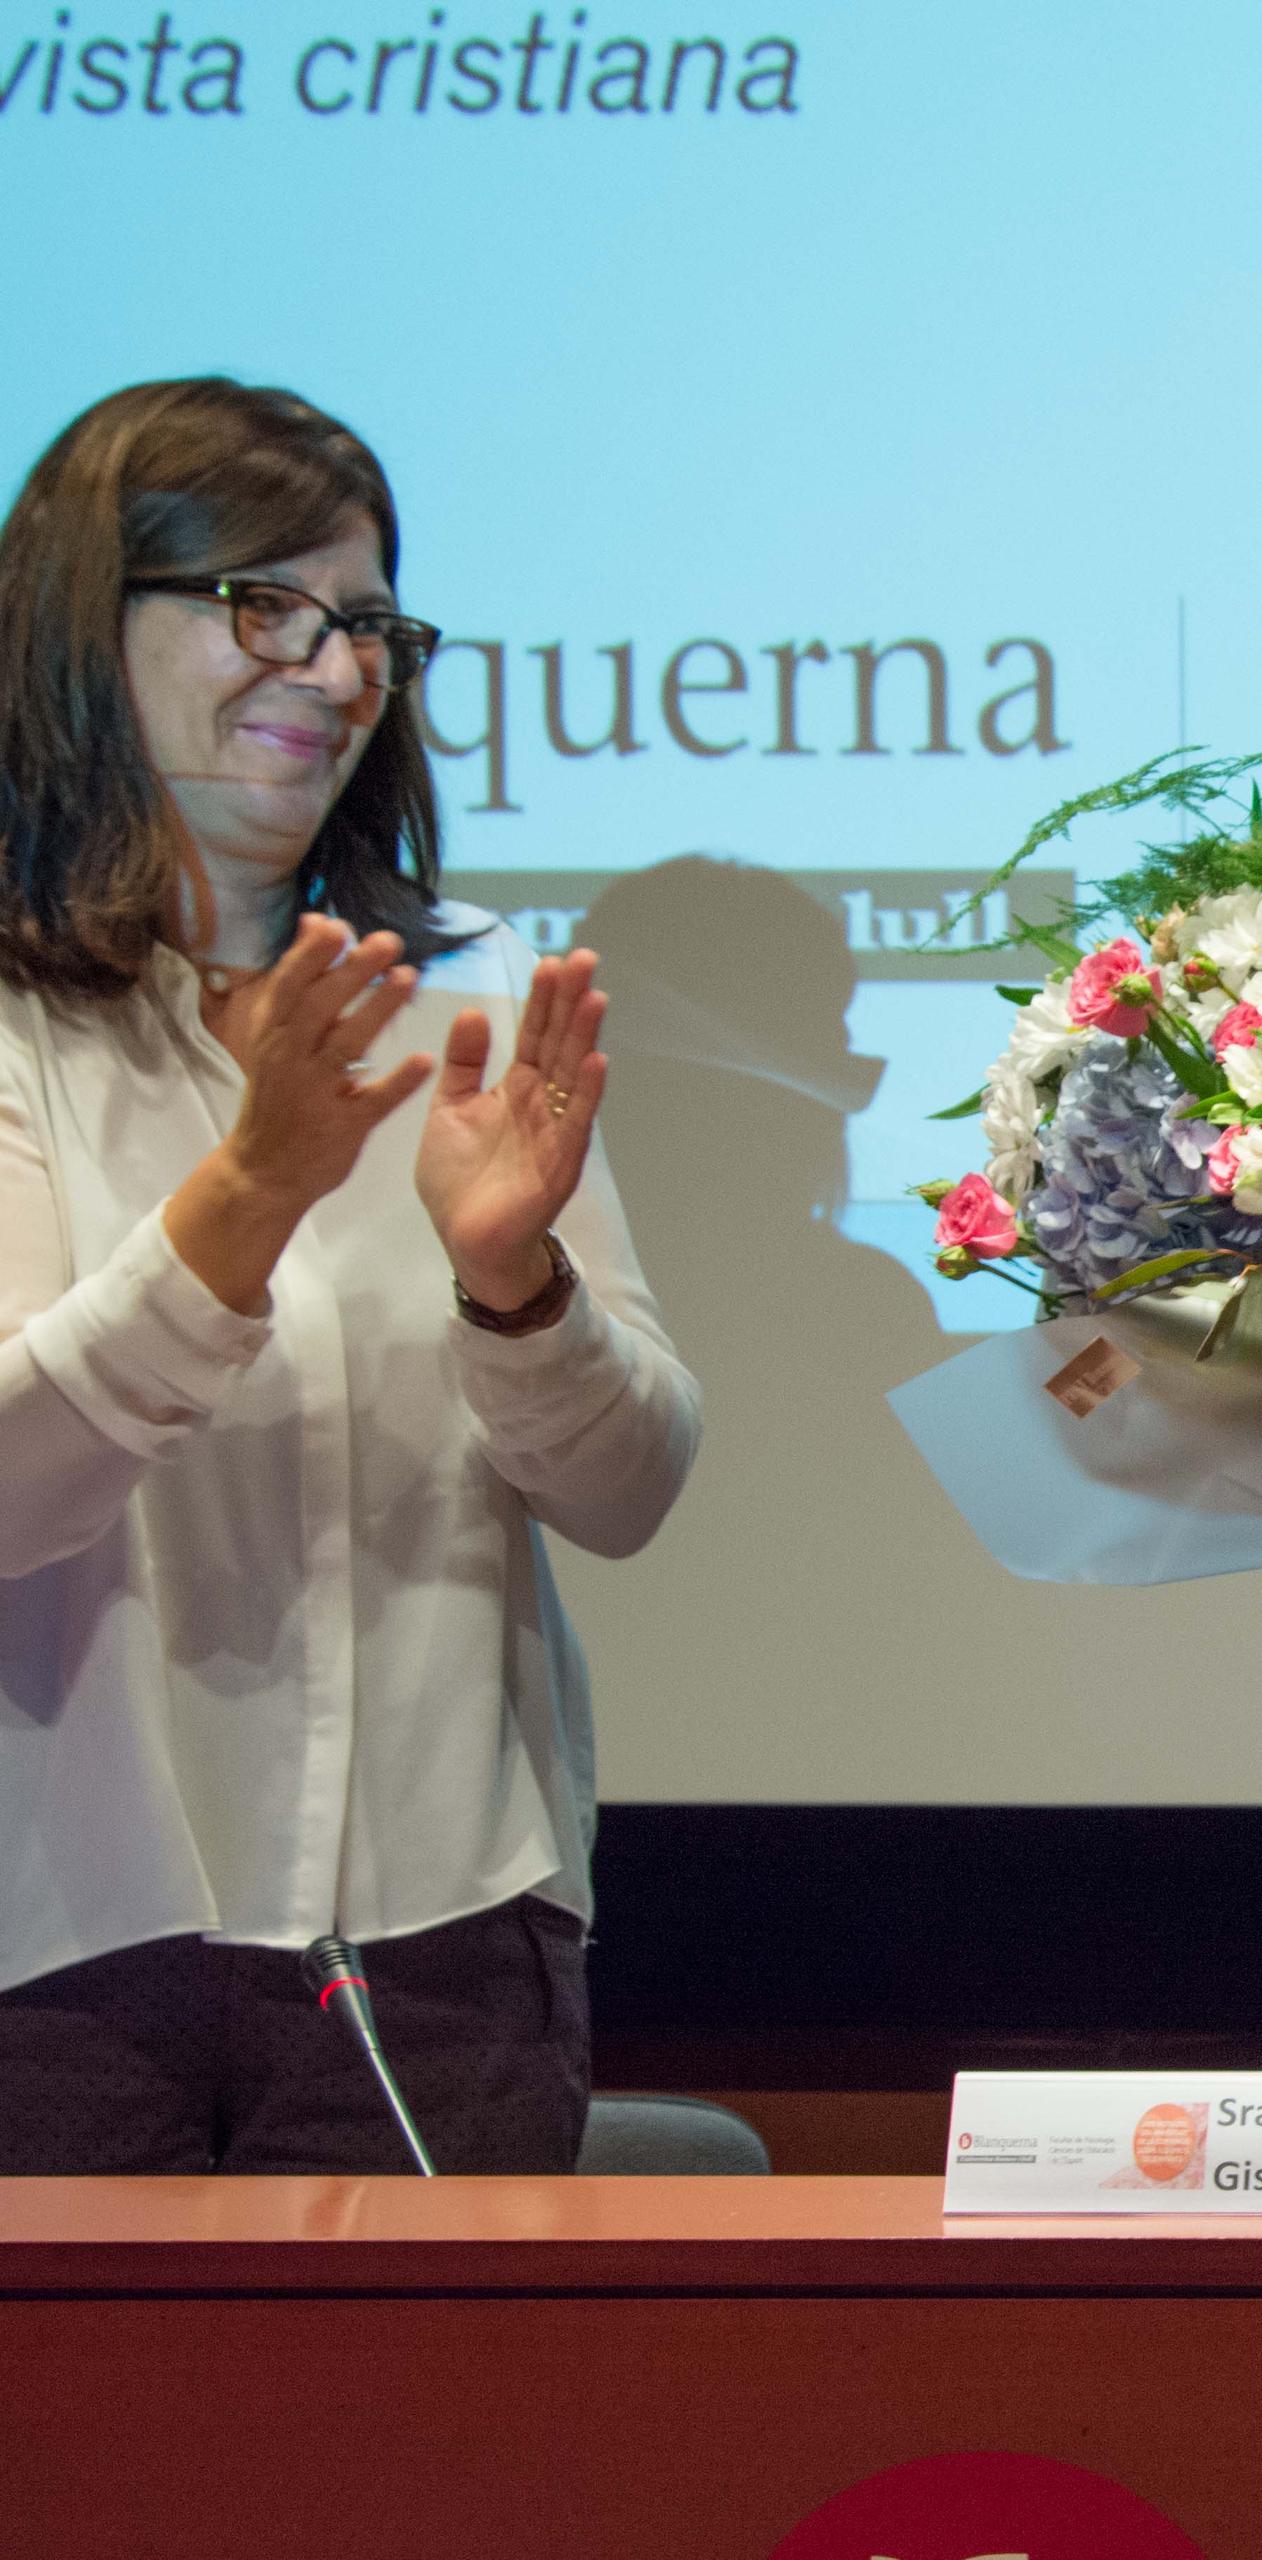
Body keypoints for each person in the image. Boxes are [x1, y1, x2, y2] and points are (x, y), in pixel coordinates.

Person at [0, 379, 699, 2173]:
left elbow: (626, 1493)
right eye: (264, 608)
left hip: (446, 1947)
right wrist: (250, 1195)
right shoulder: (17, 1018)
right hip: (57, 1960)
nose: (331, 670)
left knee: (436, 2463)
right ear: (93, 624)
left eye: (368, 623)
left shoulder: (472, 991)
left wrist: (514, 1287)